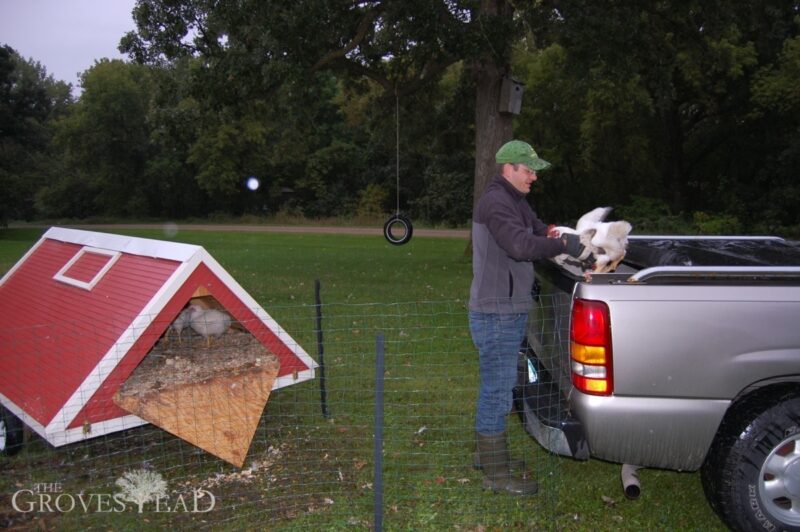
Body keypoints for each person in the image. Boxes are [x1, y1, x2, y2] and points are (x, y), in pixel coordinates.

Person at [469, 139, 586, 496]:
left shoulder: (515, 201)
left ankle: (486, 456)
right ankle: (494, 473)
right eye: (529, 169)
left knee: (500, 386)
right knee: (498, 390)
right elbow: (520, 246)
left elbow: (536, 231)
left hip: (508, 310)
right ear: (510, 168)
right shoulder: (495, 203)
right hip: (496, 314)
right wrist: (563, 246)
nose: (534, 177)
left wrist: (557, 234)